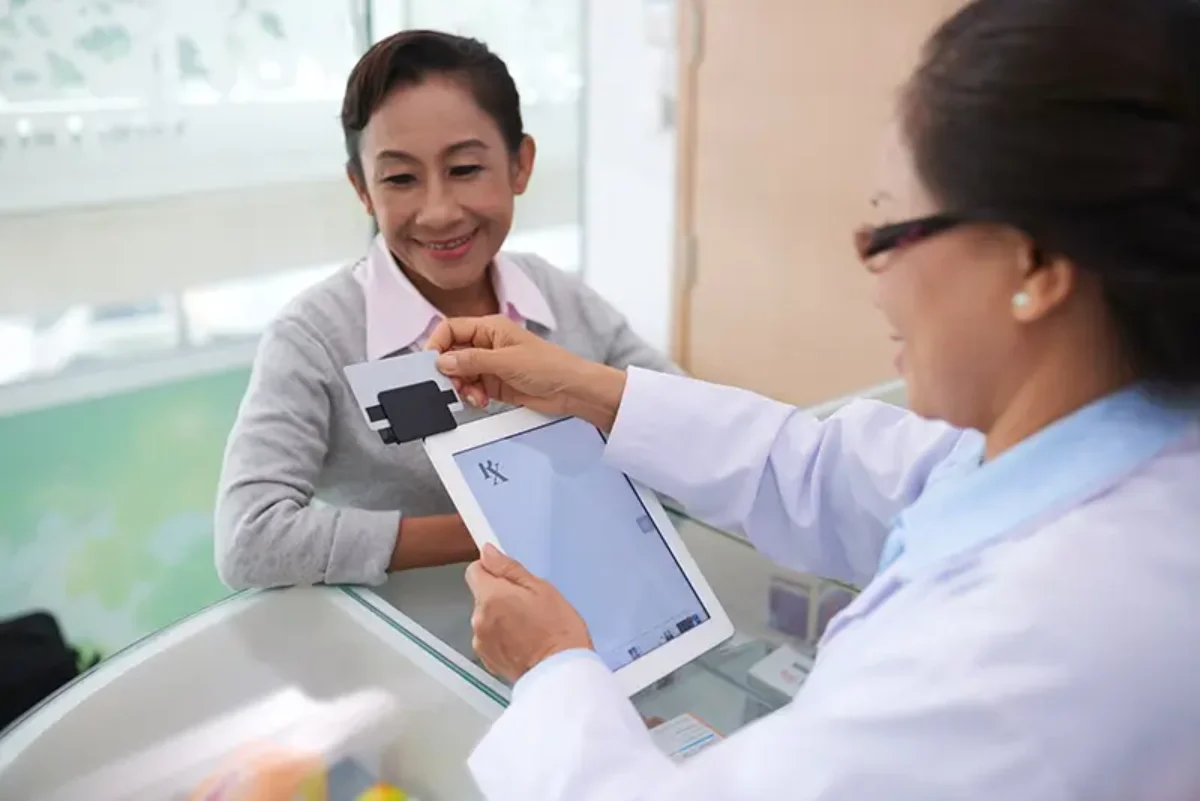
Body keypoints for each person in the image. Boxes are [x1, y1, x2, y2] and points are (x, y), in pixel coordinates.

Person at [425, 0, 1200, 799]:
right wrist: (593, 390)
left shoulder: (1027, 653)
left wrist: (553, 670)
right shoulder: (1123, 443)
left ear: (1035, 266)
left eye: (889, 231)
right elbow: (826, 468)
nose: (874, 275)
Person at [212, 30, 675, 642]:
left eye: (464, 169)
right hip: (423, 658)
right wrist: (501, 526)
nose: (438, 212)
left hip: (604, 620)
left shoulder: (555, 293)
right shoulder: (314, 336)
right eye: (400, 179)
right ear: (361, 189)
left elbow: (677, 416)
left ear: (520, 164)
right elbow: (250, 538)